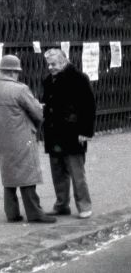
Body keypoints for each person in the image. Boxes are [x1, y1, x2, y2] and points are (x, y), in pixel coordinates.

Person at [0, 54, 56, 223]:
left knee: (9, 174)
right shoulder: (20, 89)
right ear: (13, 72)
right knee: (27, 174)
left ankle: (12, 213)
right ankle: (35, 213)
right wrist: (39, 107)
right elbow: (37, 113)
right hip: (22, 135)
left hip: (3, 138)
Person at [42, 48, 96, 219]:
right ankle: (61, 205)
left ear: (64, 61)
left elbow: (89, 106)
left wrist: (85, 132)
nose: (51, 67)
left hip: (73, 133)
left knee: (76, 172)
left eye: (54, 64)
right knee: (58, 172)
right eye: (49, 65)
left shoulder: (79, 79)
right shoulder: (49, 80)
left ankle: (84, 206)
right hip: (54, 133)